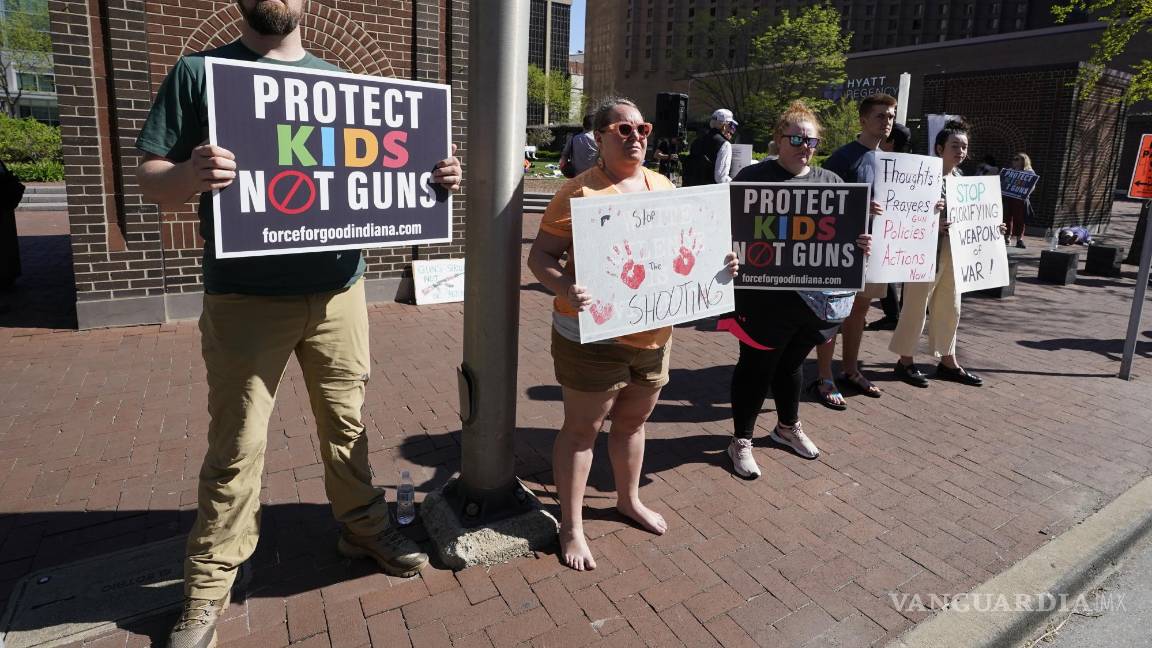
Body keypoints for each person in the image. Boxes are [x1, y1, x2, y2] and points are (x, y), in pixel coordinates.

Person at [134, 2, 462, 646]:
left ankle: (363, 528)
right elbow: (150, 179)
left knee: (347, 422)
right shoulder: (201, 73)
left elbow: (381, 169)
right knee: (237, 444)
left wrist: (434, 178)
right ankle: (210, 583)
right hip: (245, 299)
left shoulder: (339, 84)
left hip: (340, 293)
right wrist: (188, 174)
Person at [528, 97, 738, 570]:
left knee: (632, 425)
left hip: (654, 334)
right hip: (593, 335)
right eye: (623, 130)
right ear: (599, 137)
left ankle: (628, 500)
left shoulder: (662, 185)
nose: (636, 137)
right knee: (582, 431)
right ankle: (572, 527)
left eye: (641, 128)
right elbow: (540, 257)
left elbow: (686, 249)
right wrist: (564, 287)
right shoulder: (578, 192)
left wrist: (721, 263)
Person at [722, 100, 872, 479]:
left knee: (791, 365)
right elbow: (724, 229)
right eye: (797, 139)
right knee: (756, 367)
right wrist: (728, 254)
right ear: (778, 138)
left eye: (812, 141)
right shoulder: (753, 178)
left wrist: (860, 244)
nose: (805, 147)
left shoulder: (831, 183)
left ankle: (787, 427)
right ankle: (741, 440)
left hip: (812, 303)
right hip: (761, 299)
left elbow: (844, 237)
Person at [810, 94, 897, 410]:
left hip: (875, 250)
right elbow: (822, 204)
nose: (886, 122)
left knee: (860, 311)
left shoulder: (890, 161)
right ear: (863, 119)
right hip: (843, 252)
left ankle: (850, 369)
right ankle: (824, 377)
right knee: (833, 314)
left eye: (891, 116)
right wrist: (859, 207)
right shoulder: (843, 158)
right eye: (880, 116)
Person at [889, 119, 989, 389]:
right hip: (924, 252)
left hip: (955, 252)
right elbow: (903, 213)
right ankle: (905, 360)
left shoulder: (962, 181)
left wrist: (993, 227)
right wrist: (932, 223)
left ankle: (948, 360)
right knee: (916, 305)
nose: (961, 151)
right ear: (939, 148)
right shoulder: (921, 177)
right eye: (955, 146)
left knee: (950, 305)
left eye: (964, 146)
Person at [867, 123, 912, 331]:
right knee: (888, 272)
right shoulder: (913, 166)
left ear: (891, 142)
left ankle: (892, 315)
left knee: (884, 272)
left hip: (886, 228)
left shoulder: (886, 164)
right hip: (901, 229)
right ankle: (893, 314)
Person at [682, 108, 737, 186]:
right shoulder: (724, 144)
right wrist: (738, 184)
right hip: (710, 191)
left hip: (692, 188)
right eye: (731, 125)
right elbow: (721, 177)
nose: (732, 129)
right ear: (724, 126)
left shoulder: (696, 141)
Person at [1004, 152, 1036, 248]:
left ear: (1024, 161)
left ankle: (1019, 240)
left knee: (1019, 219)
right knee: (1007, 217)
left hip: (1020, 199)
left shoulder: (1029, 172)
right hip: (1009, 197)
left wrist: (1025, 193)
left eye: (1017, 159)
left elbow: (1032, 186)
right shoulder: (1010, 171)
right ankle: (1007, 238)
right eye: (1013, 159)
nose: (1014, 161)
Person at [560, 114, 599, 178]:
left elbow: (564, 156)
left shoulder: (573, 138)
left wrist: (564, 169)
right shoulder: (598, 139)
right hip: (594, 175)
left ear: (583, 124)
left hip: (577, 176)